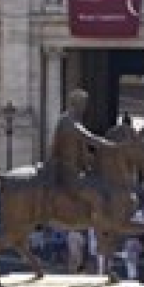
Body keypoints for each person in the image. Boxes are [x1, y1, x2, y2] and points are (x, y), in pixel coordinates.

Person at [40, 88, 116, 221]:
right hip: (68, 171)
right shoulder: (68, 121)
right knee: (96, 197)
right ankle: (100, 227)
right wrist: (115, 146)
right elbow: (89, 138)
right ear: (76, 103)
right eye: (84, 103)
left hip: (77, 169)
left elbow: (83, 148)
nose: (85, 107)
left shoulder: (73, 120)